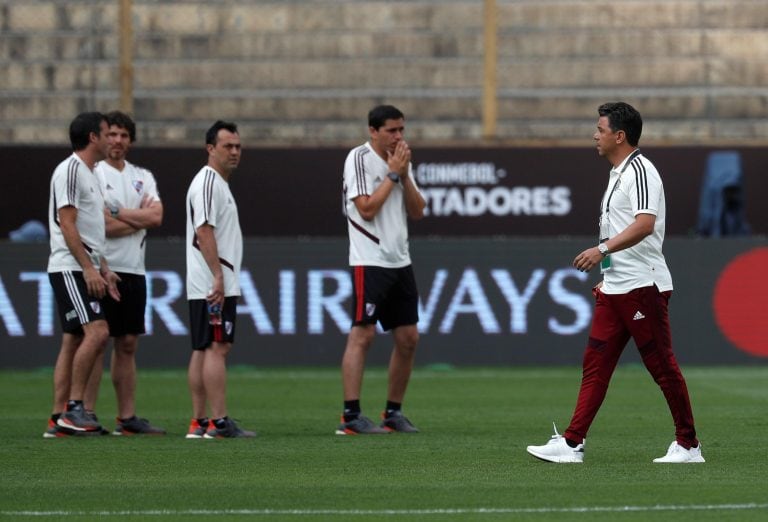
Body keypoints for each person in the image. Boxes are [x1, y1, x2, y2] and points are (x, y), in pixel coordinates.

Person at [526, 102, 704, 463]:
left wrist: (600, 249)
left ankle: (688, 444)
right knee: (596, 363)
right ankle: (572, 443)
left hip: (642, 285)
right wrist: (607, 263)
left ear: (619, 136)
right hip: (615, 285)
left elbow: (644, 224)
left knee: (662, 366)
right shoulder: (618, 172)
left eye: (600, 129)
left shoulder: (641, 171)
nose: (595, 134)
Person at [336, 105, 427, 435]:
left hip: (399, 259)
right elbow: (367, 209)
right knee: (363, 334)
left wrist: (402, 175)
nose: (398, 136)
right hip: (369, 259)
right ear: (373, 131)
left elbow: (417, 211)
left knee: (408, 338)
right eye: (392, 130)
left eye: (402, 129)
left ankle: (393, 412)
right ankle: (350, 415)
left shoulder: (401, 161)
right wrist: (391, 174)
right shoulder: (359, 159)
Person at [82, 111, 165, 435]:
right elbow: (99, 226)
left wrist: (117, 212)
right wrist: (136, 217)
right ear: (103, 138)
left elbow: (157, 217)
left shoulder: (142, 175)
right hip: (102, 267)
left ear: (131, 140)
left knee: (128, 342)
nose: (117, 141)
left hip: (134, 267)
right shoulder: (93, 174)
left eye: (123, 135)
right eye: (112, 134)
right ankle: (85, 412)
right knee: (97, 341)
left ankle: (126, 417)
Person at [44, 112, 120, 437]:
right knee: (98, 332)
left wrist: (102, 267)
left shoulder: (90, 173)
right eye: (106, 134)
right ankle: (74, 410)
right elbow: (67, 222)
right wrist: (88, 268)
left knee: (76, 338)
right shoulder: (71, 170)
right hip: (70, 266)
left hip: (83, 266)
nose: (111, 140)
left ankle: (59, 418)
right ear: (93, 137)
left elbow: (90, 227)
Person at [184, 120, 255, 439]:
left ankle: (199, 422)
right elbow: (203, 231)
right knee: (217, 347)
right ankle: (219, 421)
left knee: (203, 348)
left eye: (238, 146)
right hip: (213, 280)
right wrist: (217, 276)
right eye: (228, 146)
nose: (235, 152)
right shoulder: (209, 182)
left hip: (206, 280)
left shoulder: (214, 183)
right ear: (210, 149)